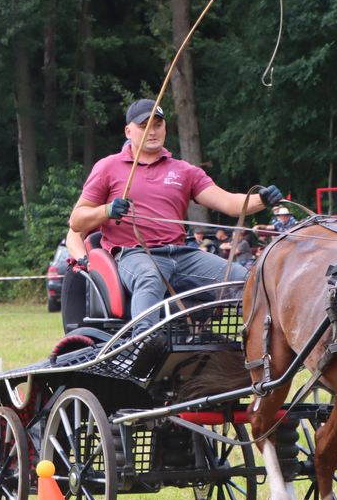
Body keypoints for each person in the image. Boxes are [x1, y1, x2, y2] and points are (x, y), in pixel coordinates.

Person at [67, 98, 283, 343]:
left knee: (242, 278)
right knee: (150, 277)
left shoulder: (184, 171)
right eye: (144, 125)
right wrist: (106, 210)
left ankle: (260, 348)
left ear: (165, 128)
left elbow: (230, 203)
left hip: (181, 254)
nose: (152, 131)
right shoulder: (108, 167)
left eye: (158, 124)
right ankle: (144, 344)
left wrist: (262, 200)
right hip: (133, 254)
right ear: (128, 131)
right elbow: (77, 221)